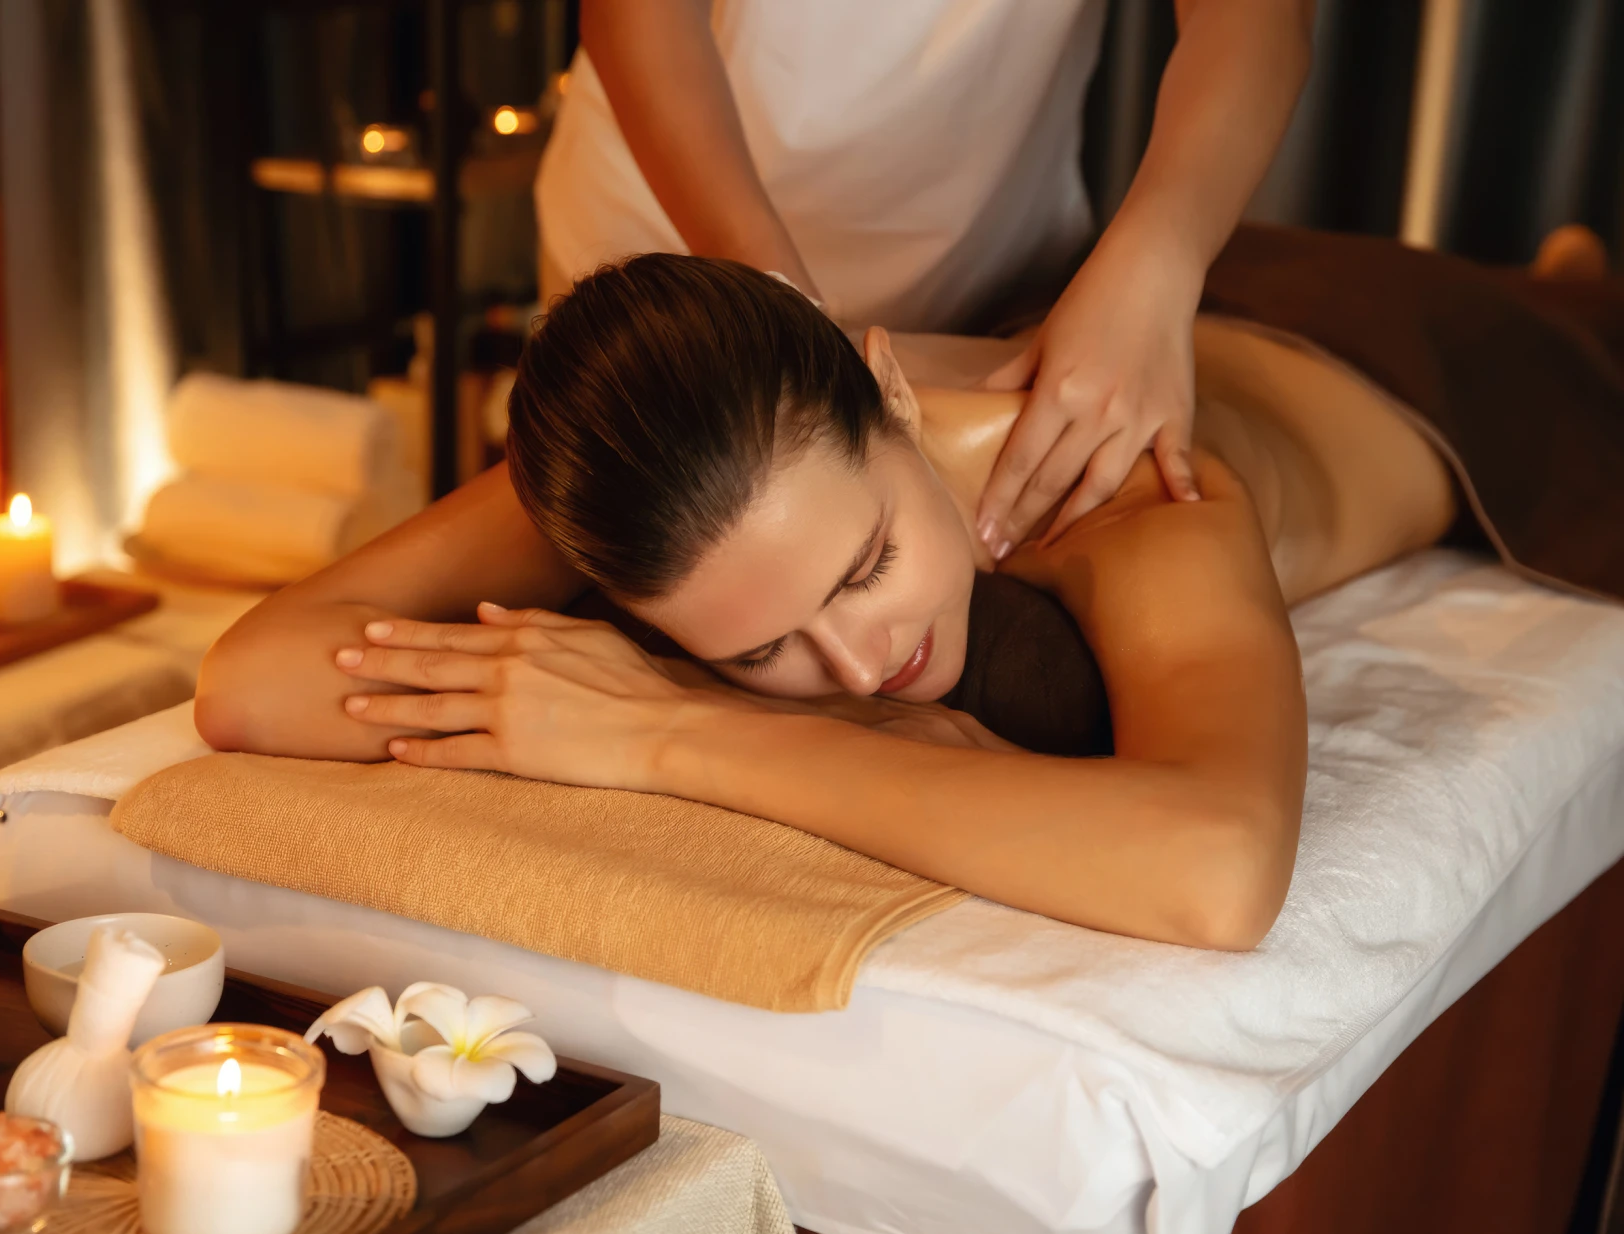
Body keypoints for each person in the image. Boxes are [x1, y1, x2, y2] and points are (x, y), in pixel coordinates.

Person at [195, 229, 1623, 952]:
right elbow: (249, 682)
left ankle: (1563, 271)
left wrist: (670, 731)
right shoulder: (689, 480)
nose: (862, 656)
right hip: (1123, 310)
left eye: (868, 563)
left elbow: (1221, 869)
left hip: (1417, 365)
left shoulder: (1125, 493)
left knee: (1578, 312)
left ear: (886, 389)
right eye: (756, 649)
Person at [538, 0, 1316, 558]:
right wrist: (778, 318)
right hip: (680, 266)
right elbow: (638, 17)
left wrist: (1158, 261)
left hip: (994, 285)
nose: (860, 666)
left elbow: (1254, 15)